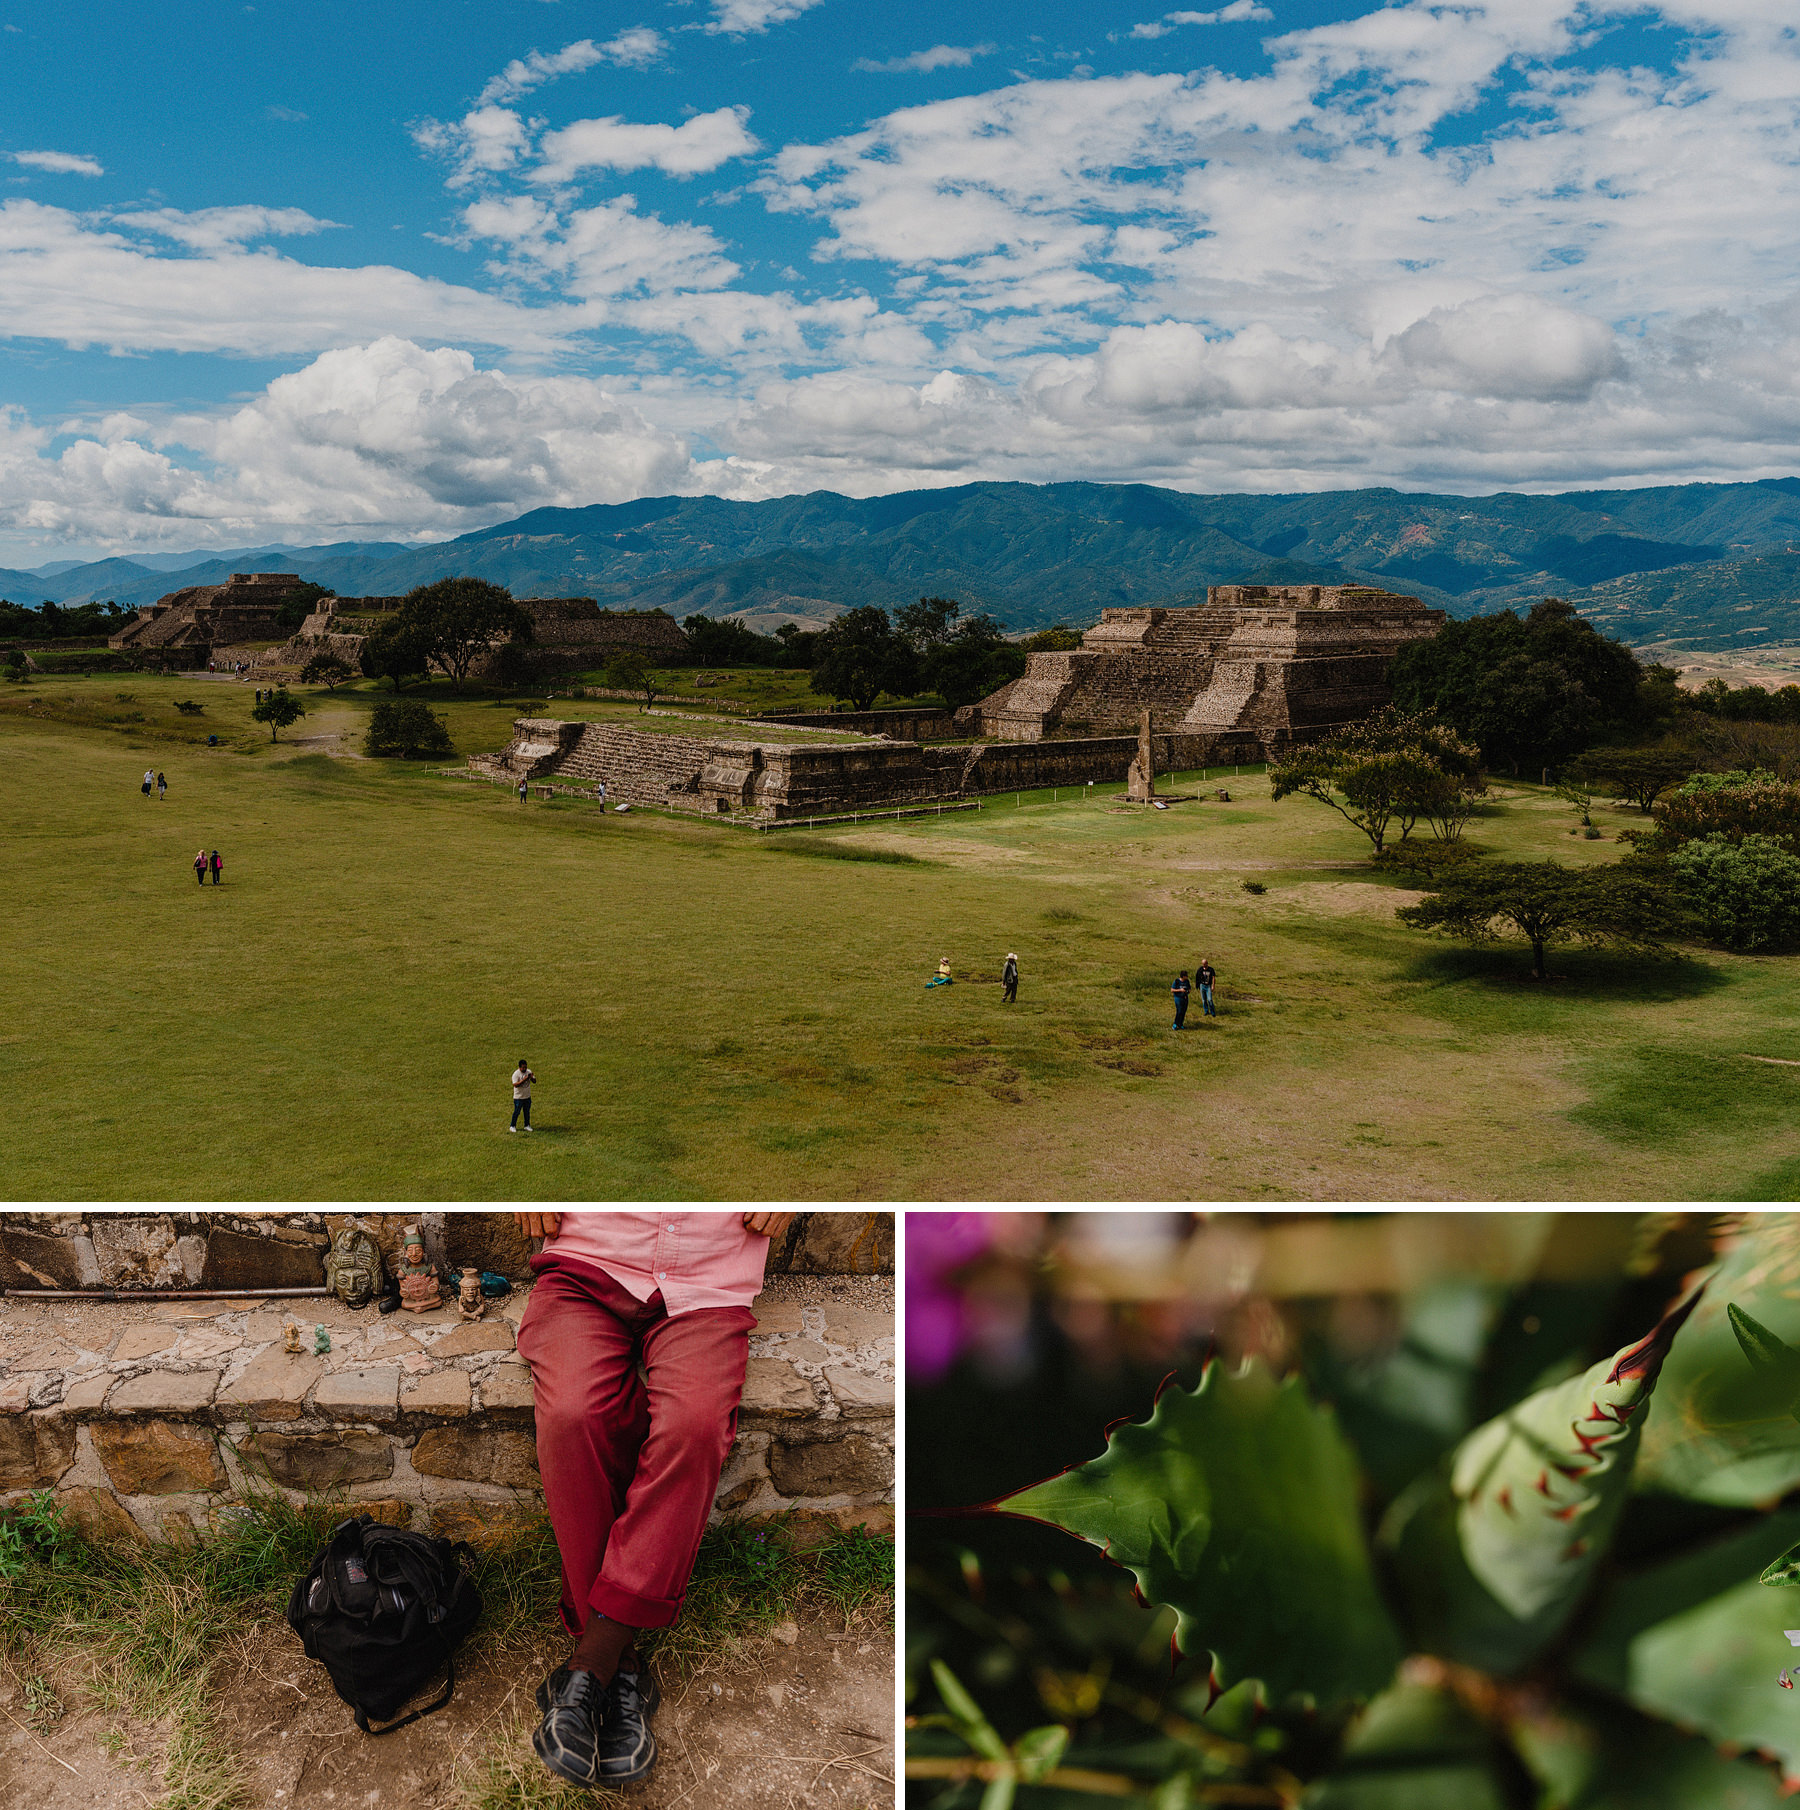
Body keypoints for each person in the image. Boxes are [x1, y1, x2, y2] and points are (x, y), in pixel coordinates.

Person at [512, 1210, 796, 1788]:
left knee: (693, 1427)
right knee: (573, 1414)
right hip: (588, 1265)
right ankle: (622, 1666)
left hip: (708, 1280)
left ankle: (595, 1660)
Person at [510, 1058, 535, 1131]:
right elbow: (515, 1084)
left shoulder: (528, 1072)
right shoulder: (516, 1074)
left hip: (527, 1096)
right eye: (523, 1067)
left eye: (525, 1067)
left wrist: (531, 1078)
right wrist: (524, 1079)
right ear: (519, 1067)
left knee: (527, 1112)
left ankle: (527, 1125)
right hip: (518, 1097)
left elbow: (534, 1081)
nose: (524, 1069)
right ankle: (512, 1125)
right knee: (517, 1112)